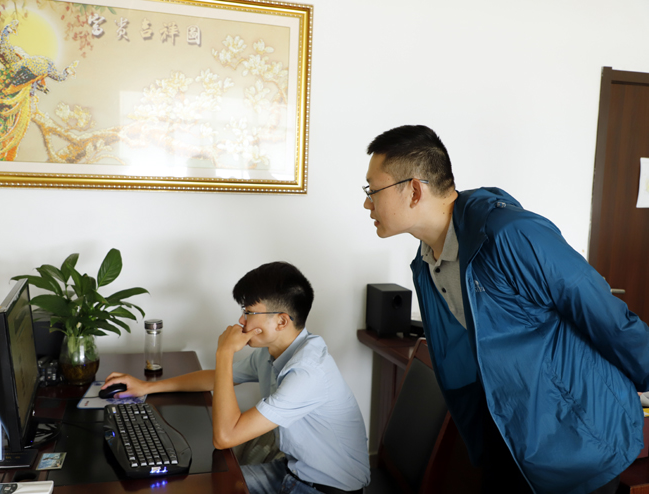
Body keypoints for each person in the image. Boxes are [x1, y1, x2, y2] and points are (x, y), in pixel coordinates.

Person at [362, 124, 649, 494]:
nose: (367, 203)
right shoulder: (425, 262)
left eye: (373, 190)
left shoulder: (510, 233)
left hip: (580, 436)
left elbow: (605, 314)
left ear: (415, 190)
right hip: (510, 432)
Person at [103, 261, 370, 494]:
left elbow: (225, 437)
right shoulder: (271, 352)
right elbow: (218, 378)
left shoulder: (307, 373)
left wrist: (224, 352)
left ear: (281, 321)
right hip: (290, 472)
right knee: (200, 485)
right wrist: (147, 387)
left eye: (249, 313)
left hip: (325, 489)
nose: (241, 320)